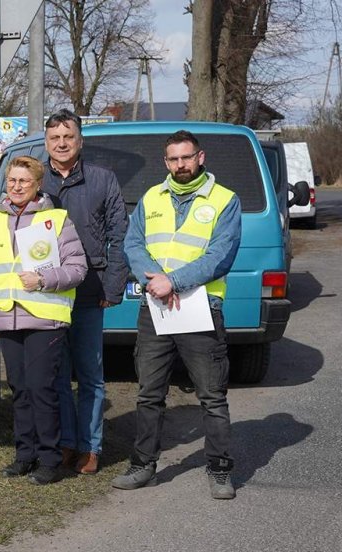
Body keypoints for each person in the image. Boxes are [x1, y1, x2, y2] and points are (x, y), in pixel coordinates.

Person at [113, 130, 242, 500]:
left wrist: (173, 281)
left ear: (200, 158)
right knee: (148, 394)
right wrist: (154, 282)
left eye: (186, 158)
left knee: (212, 396)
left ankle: (219, 469)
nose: (180, 165)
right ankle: (143, 465)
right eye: (173, 159)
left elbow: (221, 255)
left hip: (201, 308)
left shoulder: (224, 200)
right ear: (166, 162)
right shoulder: (152, 197)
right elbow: (132, 244)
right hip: (155, 309)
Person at [0, 156, 87, 485]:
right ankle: (25, 455)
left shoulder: (56, 220)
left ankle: (50, 458)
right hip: (5, 318)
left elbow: (78, 268)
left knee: (41, 389)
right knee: (19, 390)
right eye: (11, 180)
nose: (16, 186)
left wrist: (44, 279)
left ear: (38, 185)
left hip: (44, 318)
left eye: (24, 181)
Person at [40, 109, 129, 475]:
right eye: (55, 138)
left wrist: (113, 285)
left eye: (68, 137)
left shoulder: (102, 180)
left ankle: (90, 447)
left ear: (80, 140)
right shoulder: (35, 178)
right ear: (47, 142)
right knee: (57, 372)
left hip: (90, 289)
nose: (61, 144)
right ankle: (65, 443)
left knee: (90, 372)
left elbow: (119, 236)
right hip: (45, 292)